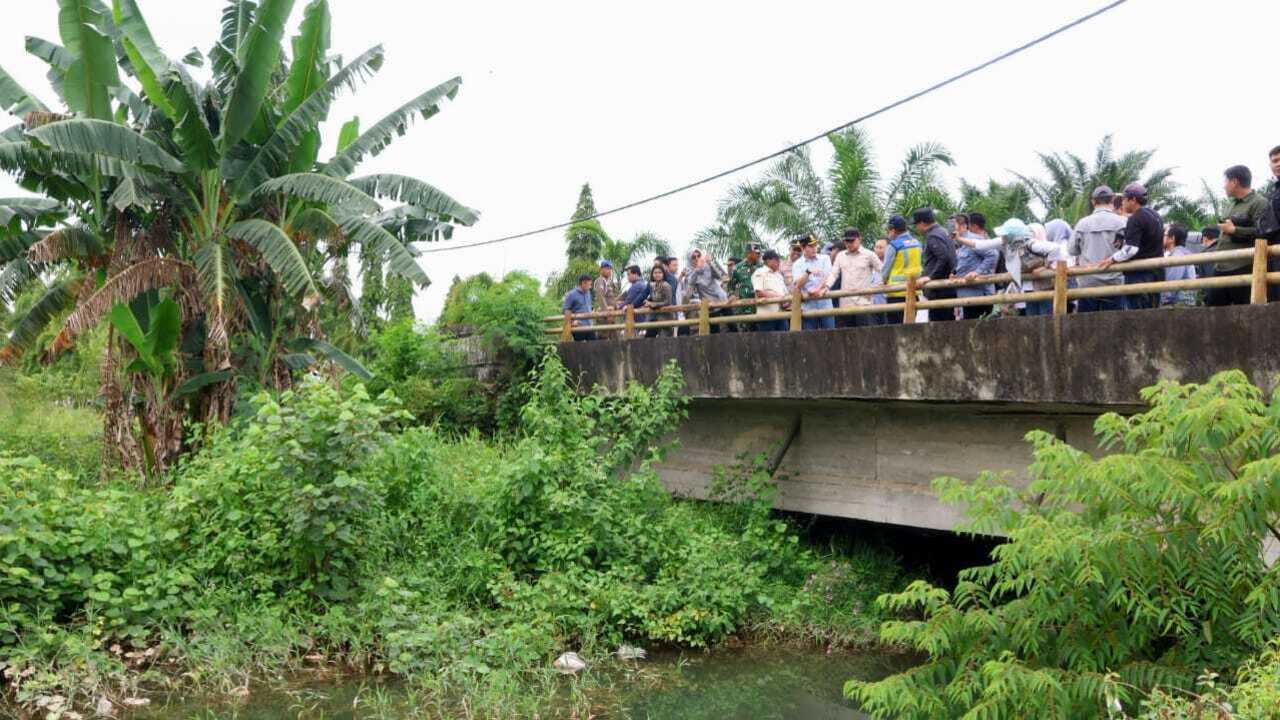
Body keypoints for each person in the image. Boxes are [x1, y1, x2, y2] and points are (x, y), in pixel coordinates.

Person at [954, 218, 1064, 314]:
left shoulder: (1031, 244)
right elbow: (980, 245)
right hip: (1027, 287)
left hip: (1043, 286)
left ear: (1013, 236)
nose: (1003, 236)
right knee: (1033, 317)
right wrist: (959, 239)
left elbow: (1056, 249)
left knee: (1045, 316)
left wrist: (1045, 267)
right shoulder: (1005, 242)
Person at [1207, 165, 1271, 306]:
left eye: (1225, 182)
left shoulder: (1260, 203)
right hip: (1221, 266)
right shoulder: (1230, 205)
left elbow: (1263, 233)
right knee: (1212, 311)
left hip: (1243, 266)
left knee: (1246, 315)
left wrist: (1235, 230)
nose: (1224, 186)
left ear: (1234, 182)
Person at [1097, 183, 1164, 310]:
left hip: (1140, 275)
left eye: (1124, 199)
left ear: (1133, 200)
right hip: (1156, 273)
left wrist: (1112, 259)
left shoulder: (1136, 218)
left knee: (1138, 315)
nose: (1121, 202)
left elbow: (1132, 249)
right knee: (1153, 313)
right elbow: (1147, 243)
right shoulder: (1155, 215)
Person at [1070, 186, 1127, 312]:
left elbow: (1072, 250)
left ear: (1093, 201)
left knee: (1086, 327)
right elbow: (1128, 251)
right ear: (1112, 200)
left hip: (1088, 282)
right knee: (1115, 326)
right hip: (1114, 282)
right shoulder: (1123, 222)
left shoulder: (1082, 223)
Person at [822, 228, 883, 327]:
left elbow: (882, 271)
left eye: (851, 241)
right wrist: (827, 286)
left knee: (865, 335)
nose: (849, 244)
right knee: (846, 337)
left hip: (864, 303)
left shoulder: (869, 254)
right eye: (846, 241)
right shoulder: (840, 256)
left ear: (859, 239)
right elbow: (833, 274)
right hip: (846, 304)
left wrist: (875, 287)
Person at [913, 208, 957, 322]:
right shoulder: (942, 231)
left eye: (916, 225)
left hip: (940, 289)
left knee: (939, 324)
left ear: (922, 223)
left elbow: (944, 257)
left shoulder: (933, 236)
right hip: (947, 287)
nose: (916, 228)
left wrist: (931, 276)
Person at [953, 213, 998, 320]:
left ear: (963, 226)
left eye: (953, 225)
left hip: (979, 295)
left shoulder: (974, 240)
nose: (951, 229)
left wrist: (977, 272)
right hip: (966, 295)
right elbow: (966, 263)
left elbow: (993, 255)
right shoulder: (959, 242)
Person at [880, 215, 922, 325]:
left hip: (896, 292)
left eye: (888, 230)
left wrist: (883, 281)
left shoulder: (894, 245)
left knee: (895, 329)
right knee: (910, 327)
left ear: (893, 230)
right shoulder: (917, 243)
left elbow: (885, 270)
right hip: (914, 291)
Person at [790, 234, 835, 330]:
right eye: (810, 246)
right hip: (808, 308)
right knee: (810, 339)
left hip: (825, 304)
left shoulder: (825, 258)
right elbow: (798, 284)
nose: (814, 248)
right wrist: (808, 272)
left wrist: (818, 289)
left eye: (815, 245)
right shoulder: (797, 264)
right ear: (802, 248)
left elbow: (828, 276)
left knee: (831, 336)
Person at [684, 247, 730, 332]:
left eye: (699, 255)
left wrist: (711, 262)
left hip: (722, 299)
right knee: (715, 331)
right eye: (693, 257)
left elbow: (723, 277)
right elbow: (689, 291)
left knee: (732, 325)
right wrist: (697, 270)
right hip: (710, 304)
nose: (697, 258)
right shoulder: (689, 272)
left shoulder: (707, 265)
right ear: (690, 260)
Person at [727, 243, 764, 331]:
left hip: (761, 307)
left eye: (759, 253)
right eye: (756, 253)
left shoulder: (763, 267)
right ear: (749, 253)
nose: (759, 254)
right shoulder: (738, 268)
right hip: (745, 309)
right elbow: (730, 285)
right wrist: (731, 295)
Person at [752, 250, 790, 332]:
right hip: (767, 316)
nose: (779, 262)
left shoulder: (779, 275)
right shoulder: (759, 272)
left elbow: (785, 293)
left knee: (785, 340)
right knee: (768, 342)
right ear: (768, 261)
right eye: (776, 260)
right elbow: (759, 292)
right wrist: (779, 297)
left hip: (781, 314)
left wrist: (787, 301)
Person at [1161, 223, 1197, 307]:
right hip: (1182, 303)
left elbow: (1170, 286)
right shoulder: (1181, 253)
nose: (1161, 237)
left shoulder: (1177, 256)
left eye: (1164, 235)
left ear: (1172, 238)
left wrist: (1162, 302)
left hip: (1178, 305)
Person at [618, 265, 649, 336]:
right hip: (641, 319)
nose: (627, 277)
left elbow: (628, 301)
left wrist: (617, 307)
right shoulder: (642, 284)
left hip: (636, 320)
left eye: (629, 274)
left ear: (636, 274)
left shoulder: (637, 286)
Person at [642, 266, 673, 338]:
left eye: (660, 272)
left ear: (663, 274)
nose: (657, 274)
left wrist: (653, 304)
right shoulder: (653, 286)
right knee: (648, 338)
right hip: (654, 318)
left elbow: (668, 302)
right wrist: (647, 301)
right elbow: (653, 298)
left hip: (665, 318)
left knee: (664, 341)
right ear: (652, 274)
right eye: (655, 273)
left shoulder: (666, 285)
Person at [561, 274, 594, 341]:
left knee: (594, 345)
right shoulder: (571, 294)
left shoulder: (588, 293)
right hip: (578, 327)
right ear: (583, 283)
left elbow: (589, 306)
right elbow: (565, 310)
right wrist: (572, 322)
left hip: (589, 325)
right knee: (580, 348)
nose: (590, 287)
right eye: (589, 285)